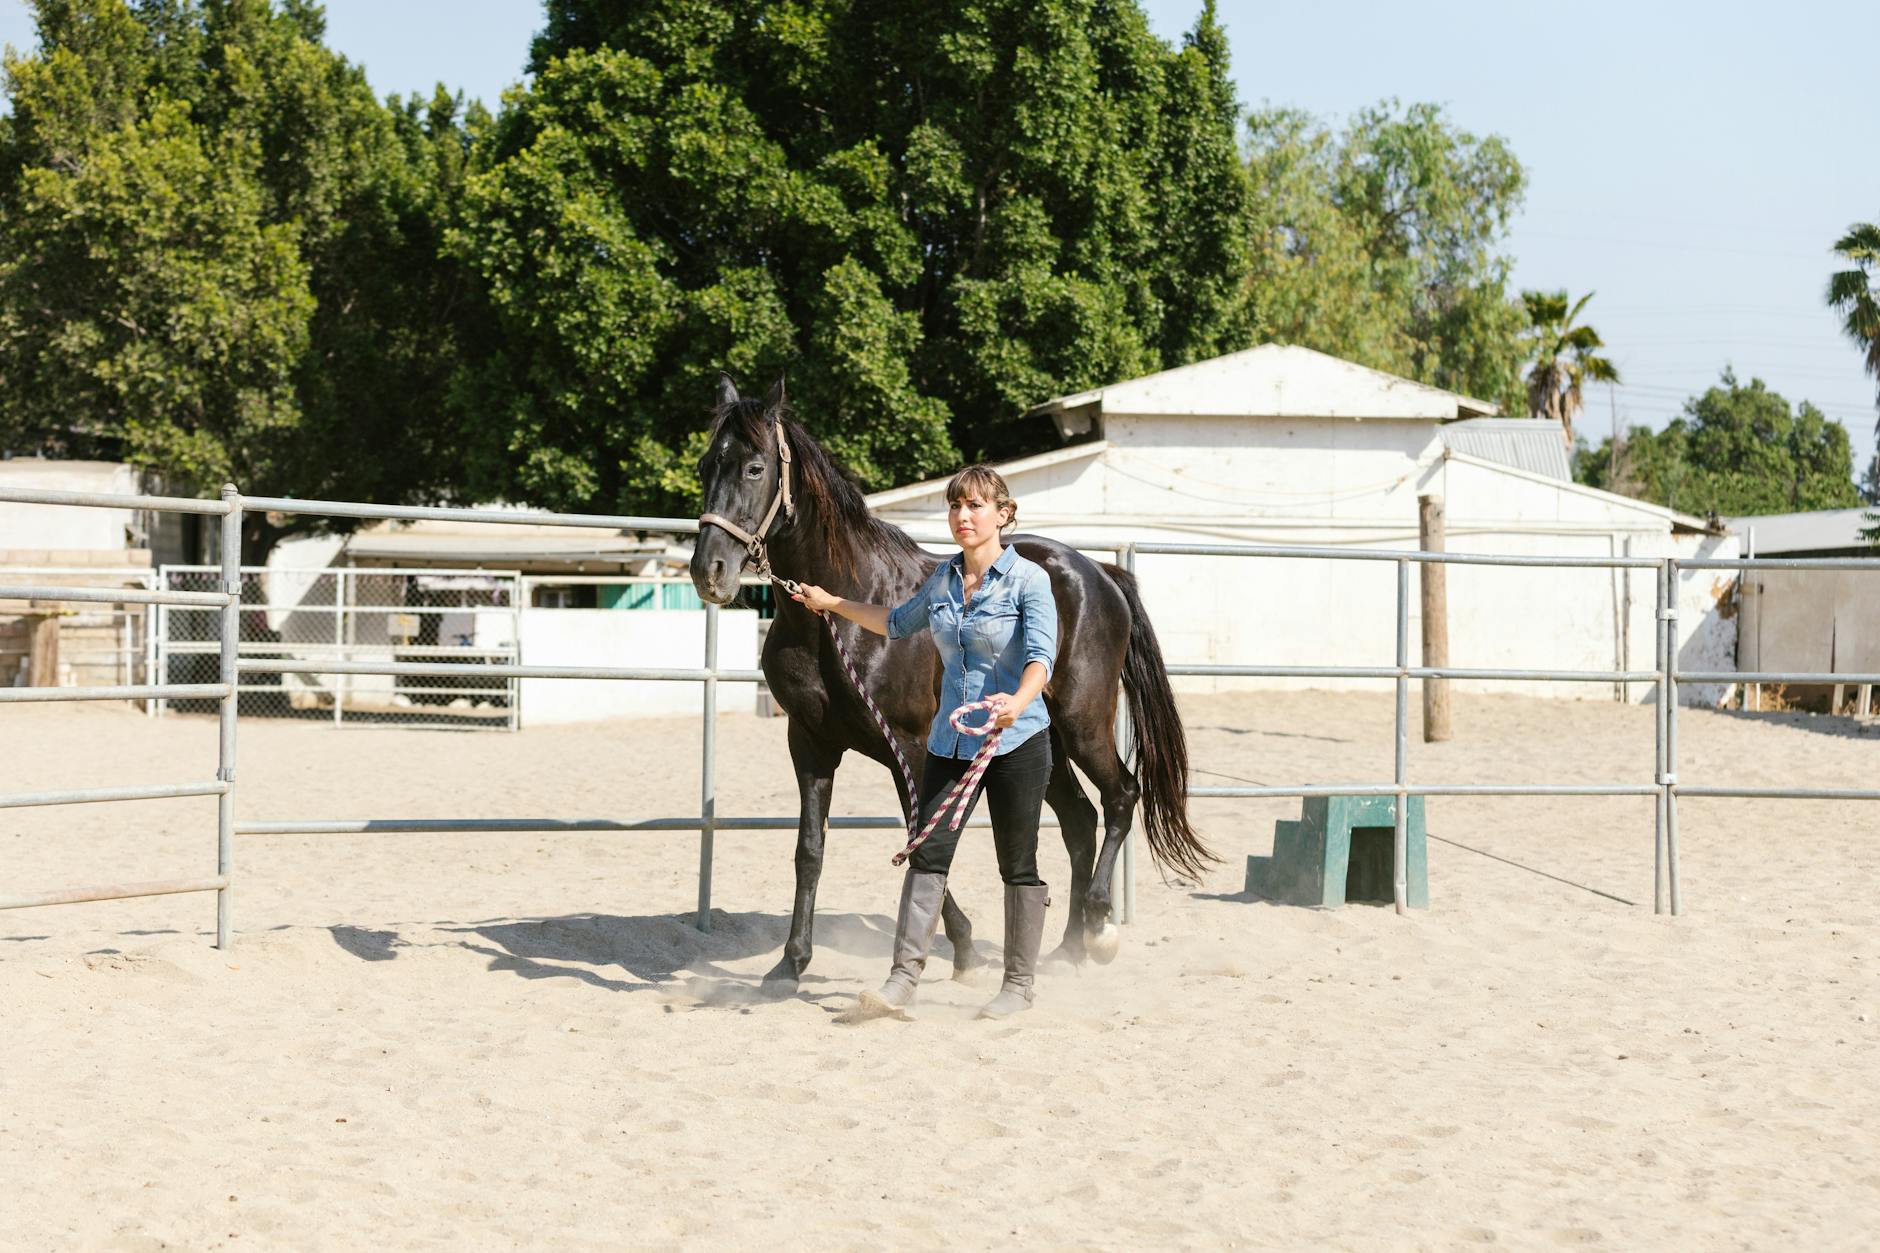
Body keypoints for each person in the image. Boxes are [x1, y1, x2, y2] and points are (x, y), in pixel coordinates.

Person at [791, 464, 1058, 1021]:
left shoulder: (1029, 581)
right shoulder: (942, 579)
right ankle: (902, 979)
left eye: (976, 506)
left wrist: (1017, 701)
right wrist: (831, 603)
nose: (963, 516)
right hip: (950, 742)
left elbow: (1041, 656)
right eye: (956, 506)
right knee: (927, 855)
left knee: (1018, 862)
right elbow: (894, 623)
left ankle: (1017, 984)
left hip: (1015, 741)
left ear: (1003, 515)